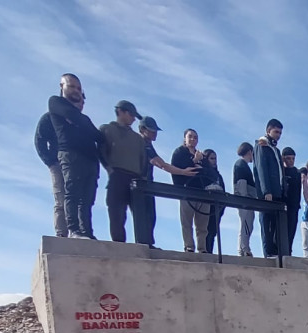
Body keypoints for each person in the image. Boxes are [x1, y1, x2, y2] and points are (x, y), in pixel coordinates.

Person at [48, 74, 102, 239]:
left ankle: (87, 232)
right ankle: (73, 230)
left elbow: (97, 136)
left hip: (91, 159)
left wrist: (78, 121)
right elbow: (71, 115)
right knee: (72, 193)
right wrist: (50, 161)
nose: (76, 91)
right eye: (72, 86)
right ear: (62, 86)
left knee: (87, 199)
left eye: (79, 88)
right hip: (70, 154)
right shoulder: (55, 103)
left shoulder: (84, 117)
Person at [139, 116, 199, 247]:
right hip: (139, 183)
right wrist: (183, 172)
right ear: (143, 129)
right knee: (143, 214)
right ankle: (144, 244)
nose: (155, 134)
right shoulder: (141, 143)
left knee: (150, 215)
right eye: (152, 130)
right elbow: (162, 164)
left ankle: (148, 243)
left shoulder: (148, 144)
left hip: (147, 182)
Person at [98, 100, 147, 243]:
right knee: (116, 213)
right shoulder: (106, 129)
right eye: (130, 114)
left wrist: (142, 177)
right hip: (117, 175)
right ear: (120, 112)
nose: (133, 118)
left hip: (135, 178)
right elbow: (101, 151)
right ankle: (119, 244)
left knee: (140, 215)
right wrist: (109, 169)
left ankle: (145, 245)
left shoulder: (138, 138)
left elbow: (143, 159)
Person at [171, 129, 209, 252]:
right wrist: (194, 161)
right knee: (187, 222)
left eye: (195, 137)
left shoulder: (201, 155)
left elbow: (209, 172)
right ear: (185, 138)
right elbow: (178, 168)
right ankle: (189, 246)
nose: (193, 139)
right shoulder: (179, 152)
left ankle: (202, 248)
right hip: (187, 191)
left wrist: (200, 164)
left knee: (202, 224)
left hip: (202, 192)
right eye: (190, 136)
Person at [253, 119, 285, 257]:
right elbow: (262, 169)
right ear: (268, 131)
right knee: (267, 223)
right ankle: (268, 253)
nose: (278, 135)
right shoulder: (262, 146)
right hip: (268, 193)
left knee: (276, 224)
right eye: (276, 132)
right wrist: (267, 191)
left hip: (278, 192)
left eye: (280, 133)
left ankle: (276, 251)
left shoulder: (276, 151)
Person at [34, 108, 66, 237]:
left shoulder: (76, 120)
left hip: (75, 165)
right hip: (57, 163)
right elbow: (39, 139)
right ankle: (61, 234)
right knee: (61, 198)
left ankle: (79, 232)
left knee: (76, 200)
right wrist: (50, 161)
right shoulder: (50, 117)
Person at [233, 142, 257, 256]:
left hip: (248, 200)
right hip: (245, 200)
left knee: (247, 224)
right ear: (249, 152)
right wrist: (244, 200)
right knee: (246, 224)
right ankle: (244, 249)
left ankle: (243, 248)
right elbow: (241, 184)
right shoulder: (241, 165)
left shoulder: (243, 165)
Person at [202, 149, 227, 254]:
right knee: (205, 229)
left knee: (213, 230)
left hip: (217, 207)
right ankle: (205, 250)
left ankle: (210, 251)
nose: (214, 161)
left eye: (215, 158)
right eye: (212, 158)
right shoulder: (203, 172)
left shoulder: (218, 175)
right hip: (207, 205)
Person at [281, 146, 301, 256]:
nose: (291, 161)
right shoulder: (281, 172)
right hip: (282, 205)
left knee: (292, 230)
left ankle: (289, 251)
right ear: (283, 159)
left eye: (293, 158)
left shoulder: (297, 172)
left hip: (294, 206)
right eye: (288, 158)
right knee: (282, 230)